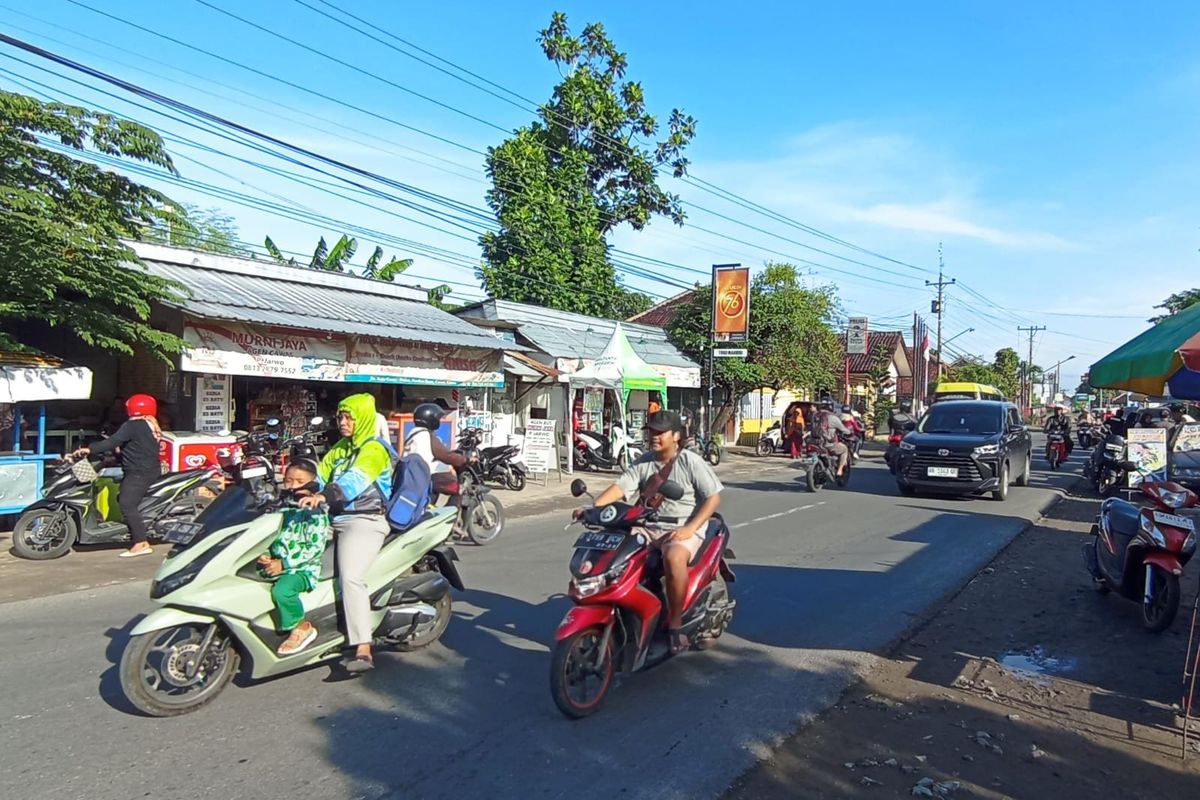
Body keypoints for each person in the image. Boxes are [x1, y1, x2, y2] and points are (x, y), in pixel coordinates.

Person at [582, 410, 722, 654]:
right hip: (647, 525)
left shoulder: (690, 461)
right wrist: (592, 508)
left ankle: (676, 623)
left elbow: (713, 498)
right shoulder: (644, 461)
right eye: (651, 432)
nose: (654, 437)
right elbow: (619, 488)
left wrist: (689, 528)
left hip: (681, 527)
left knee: (673, 557)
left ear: (676, 436)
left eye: (660, 433)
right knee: (616, 551)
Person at [298, 393, 394, 673]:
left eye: (349, 417)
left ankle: (363, 647)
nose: (343, 421)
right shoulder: (340, 448)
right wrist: (299, 487)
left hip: (363, 520)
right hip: (333, 517)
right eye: (341, 416)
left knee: (351, 577)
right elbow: (320, 475)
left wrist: (326, 495)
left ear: (362, 418)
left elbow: (355, 480)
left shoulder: (375, 449)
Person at [72, 394, 162, 558]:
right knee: (123, 497)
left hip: (139, 472)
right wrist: (114, 457)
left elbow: (112, 442)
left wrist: (89, 449)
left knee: (126, 503)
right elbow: (135, 447)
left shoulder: (133, 425)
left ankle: (141, 542)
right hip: (147, 469)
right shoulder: (149, 424)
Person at [258, 461, 329, 656]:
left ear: (313, 484)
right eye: (289, 480)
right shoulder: (283, 509)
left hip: (302, 569)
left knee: (283, 591)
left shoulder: (315, 513)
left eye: (300, 481)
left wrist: (284, 563)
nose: (293, 485)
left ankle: (300, 626)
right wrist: (264, 554)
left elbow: (313, 549)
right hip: (277, 562)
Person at [404, 403, 471, 526]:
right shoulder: (427, 436)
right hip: (429, 475)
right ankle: (448, 522)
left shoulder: (412, 433)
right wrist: (466, 460)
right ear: (431, 419)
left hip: (415, 476)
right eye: (438, 418)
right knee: (459, 489)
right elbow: (446, 456)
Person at [811, 399, 852, 476]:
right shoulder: (833, 418)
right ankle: (839, 471)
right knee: (844, 449)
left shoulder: (814, 415)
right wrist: (849, 433)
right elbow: (844, 430)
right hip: (827, 445)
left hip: (813, 442)